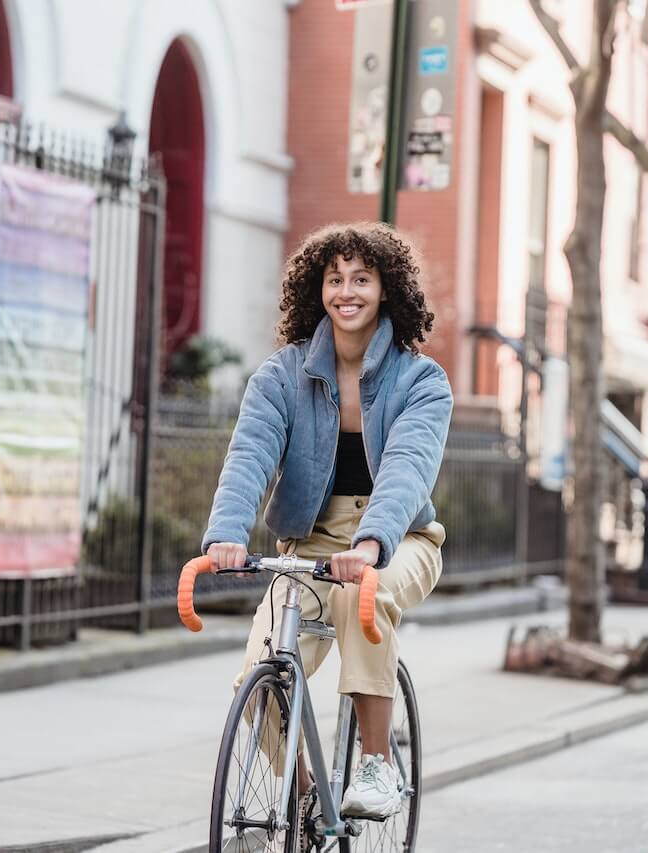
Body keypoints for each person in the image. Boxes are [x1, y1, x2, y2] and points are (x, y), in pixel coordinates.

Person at [201, 222, 453, 825]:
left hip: (398, 540)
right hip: (310, 541)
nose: (347, 291)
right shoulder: (283, 374)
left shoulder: (421, 381)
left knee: (355, 595)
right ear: (318, 289)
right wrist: (227, 533)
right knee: (256, 681)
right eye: (334, 279)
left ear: (385, 290)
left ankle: (376, 762)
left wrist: (371, 544)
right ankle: (306, 792)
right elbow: (251, 452)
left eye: (361, 279)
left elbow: (407, 467)